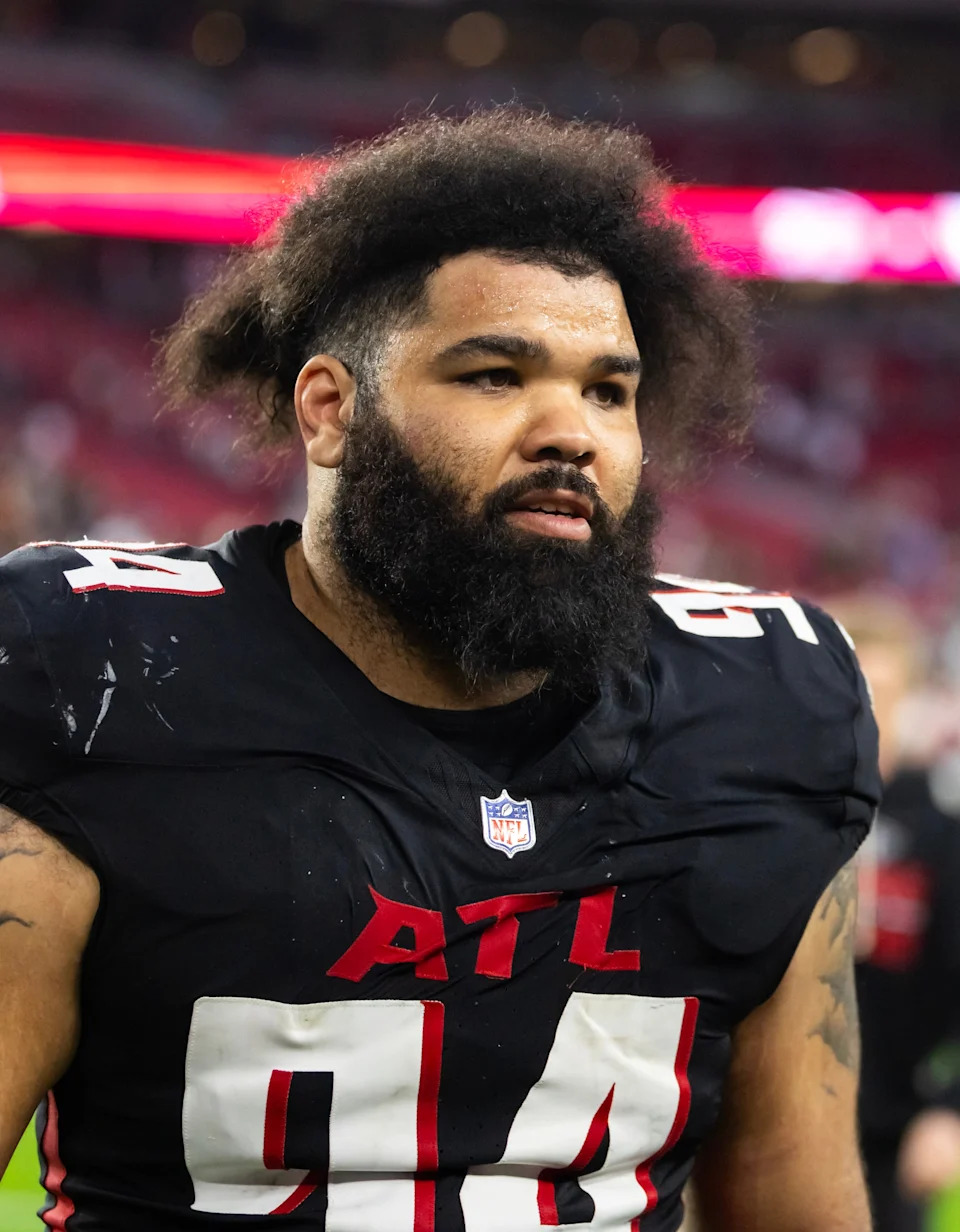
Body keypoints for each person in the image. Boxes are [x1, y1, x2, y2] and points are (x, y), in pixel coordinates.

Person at [0, 109, 879, 1231]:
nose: (570, 433)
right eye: (495, 375)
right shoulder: (100, 673)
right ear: (330, 409)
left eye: (608, 392)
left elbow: (797, 1196)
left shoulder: (762, 709)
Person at [830, 595, 960, 1232]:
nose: (864, 711)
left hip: (891, 1133)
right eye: (847, 690)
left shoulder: (942, 838)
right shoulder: (771, 823)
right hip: (762, 1119)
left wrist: (951, 1110)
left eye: (882, 693)